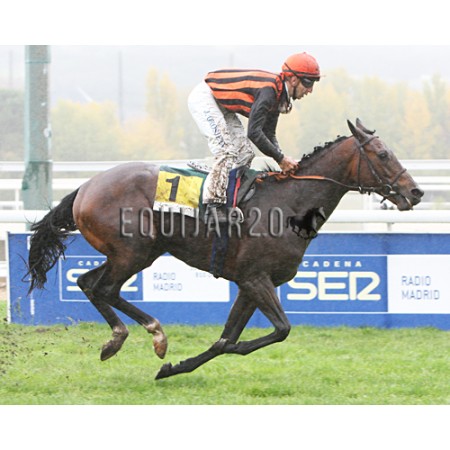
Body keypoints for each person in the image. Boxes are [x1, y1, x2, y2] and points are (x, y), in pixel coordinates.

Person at [188, 52, 321, 221]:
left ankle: (231, 199)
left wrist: (283, 159)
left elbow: (268, 133)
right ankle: (213, 206)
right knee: (226, 151)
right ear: (293, 80)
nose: (310, 90)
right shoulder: (269, 91)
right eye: (308, 83)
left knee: (245, 153)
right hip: (206, 98)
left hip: (222, 104)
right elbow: (254, 133)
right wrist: (280, 159)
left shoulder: (279, 94)